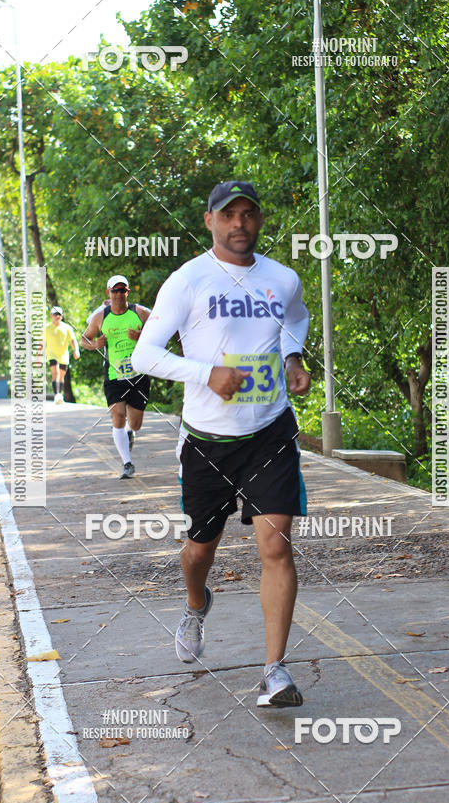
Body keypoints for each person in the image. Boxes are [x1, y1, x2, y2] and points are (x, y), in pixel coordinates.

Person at [132, 180, 311, 707]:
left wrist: (292, 357)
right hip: (208, 441)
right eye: (228, 214)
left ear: (259, 219)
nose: (240, 224)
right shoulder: (188, 281)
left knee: (276, 546)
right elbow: (146, 355)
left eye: (249, 214)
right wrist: (206, 373)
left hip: (270, 433)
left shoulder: (283, 278)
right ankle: (196, 603)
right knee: (199, 551)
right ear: (209, 219)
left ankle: (274, 670)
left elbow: (295, 320)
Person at [82, 275, 151, 479]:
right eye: (115, 291)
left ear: (128, 292)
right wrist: (95, 344)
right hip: (113, 375)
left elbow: (160, 330)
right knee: (117, 415)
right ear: (109, 293)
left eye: (122, 290)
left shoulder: (140, 312)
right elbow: (84, 339)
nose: (119, 294)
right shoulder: (100, 317)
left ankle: (131, 431)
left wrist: (141, 337)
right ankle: (127, 463)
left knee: (135, 422)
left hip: (138, 374)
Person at [44, 306, 79, 404]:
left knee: (61, 376)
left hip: (64, 355)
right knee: (55, 372)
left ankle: (60, 395)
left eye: (59, 314)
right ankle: (57, 394)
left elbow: (73, 340)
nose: (57, 316)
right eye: (55, 314)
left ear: (62, 316)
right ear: (51, 316)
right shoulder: (47, 328)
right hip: (51, 354)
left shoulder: (67, 327)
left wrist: (76, 351)